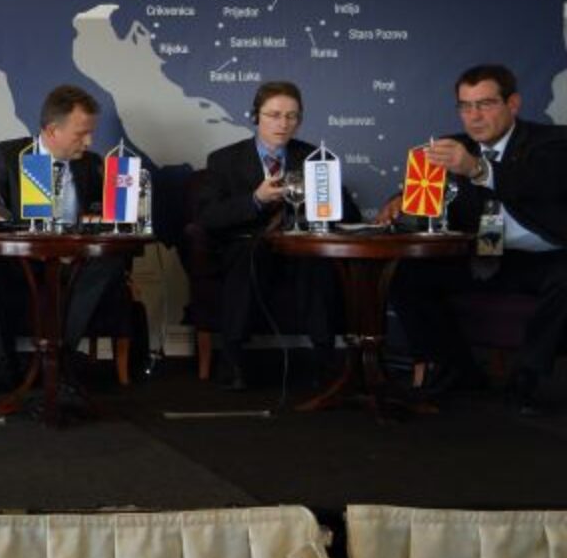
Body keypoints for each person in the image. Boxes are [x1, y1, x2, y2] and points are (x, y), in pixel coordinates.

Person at [383, 64, 567, 416]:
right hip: (485, 255)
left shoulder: (552, 143)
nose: (475, 116)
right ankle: (458, 368)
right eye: (465, 106)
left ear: (513, 104)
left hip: (545, 257)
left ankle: (527, 378)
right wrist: (400, 200)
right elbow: (425, 190)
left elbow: (537, 183)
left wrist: (476, 169)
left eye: (485, 104)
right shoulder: (454, 146)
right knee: (407, 275)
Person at [0, 84, 136, 395]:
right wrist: (5, 223)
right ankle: (6, 367)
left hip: (73, 261)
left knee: (111, 260)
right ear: (53, 130)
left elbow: (102, 214)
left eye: (91, 133)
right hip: (21, 261)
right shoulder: (5, 155)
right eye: (81, 134)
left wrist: (99, 220)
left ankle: (58, 363)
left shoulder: (91, 163)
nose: (90, 141)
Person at [196, 80, 355, 391]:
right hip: (249, 248)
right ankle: (232, 360)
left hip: (298, 249)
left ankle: (326, 360)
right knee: (247, 255)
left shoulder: (315, 158)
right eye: (274, 115)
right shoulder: (224, 160)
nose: (283, 124)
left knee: (316, 262)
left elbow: (349, 214)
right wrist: (255, 200)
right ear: (255, 116)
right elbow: (208, 216)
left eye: (292, 116)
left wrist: (322, 197)